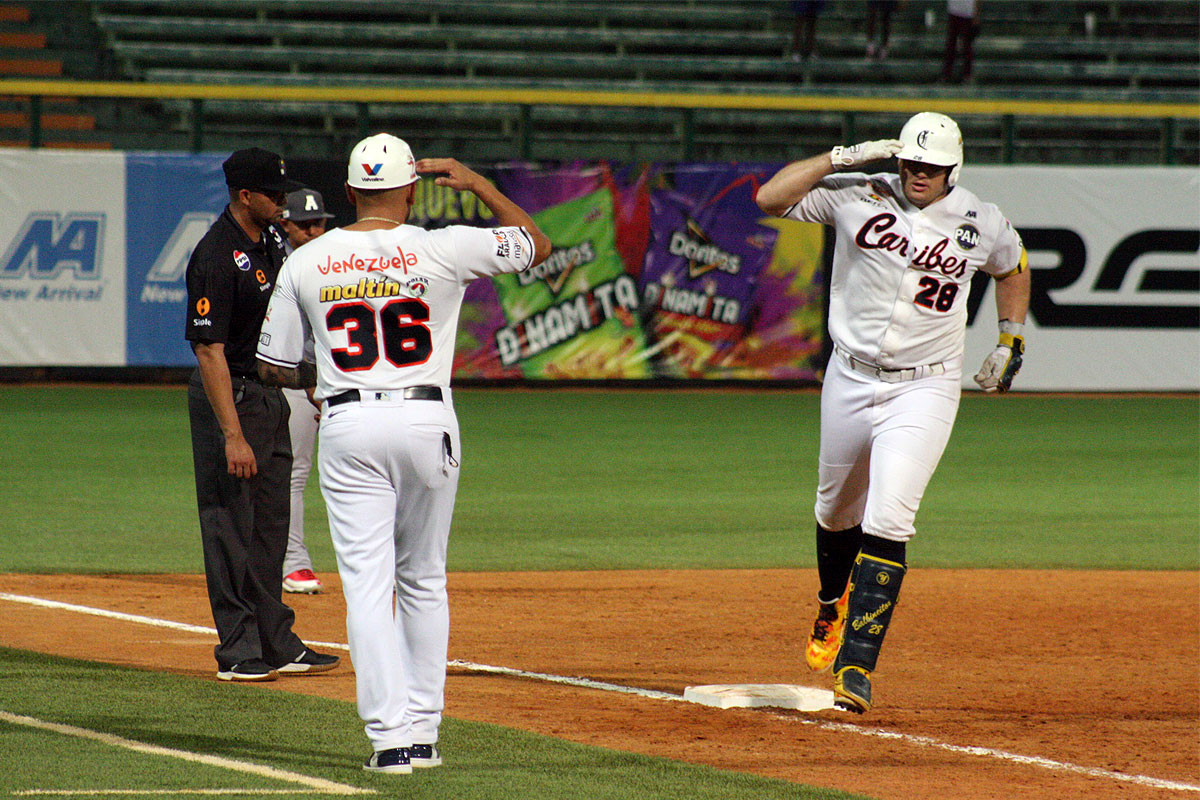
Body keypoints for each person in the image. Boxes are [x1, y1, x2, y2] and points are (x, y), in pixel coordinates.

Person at [256, 133, 550, 772]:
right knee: (424, 578)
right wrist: (478, 185)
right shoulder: (442, 245)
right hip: (426, 419)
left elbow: (273, 364)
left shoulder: (308, 258)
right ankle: (424, 732)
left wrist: (325, 374)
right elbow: (536, 244)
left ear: (350, 191)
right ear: (411, 190)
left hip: (348, 423)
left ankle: (389, 742)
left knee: (368, 585)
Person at [755, 112, 1030, 713]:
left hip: (925, 387)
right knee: (834, 512)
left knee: (890, 517)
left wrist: (1011, 339)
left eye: (931, 166)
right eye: (910, 161)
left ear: (953, 169)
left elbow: (1013, 268)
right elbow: (770, 198)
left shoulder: (981, 221)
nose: (918, 173)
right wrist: (841, 157)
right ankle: (830, 604)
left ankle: (857, 666)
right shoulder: (858, 195)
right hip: (849, 377)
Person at [184, 147, 340, 682]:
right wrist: (231, 433)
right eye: (273, 194)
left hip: (271, 396)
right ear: (244, 195)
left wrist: (312, 384)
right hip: (233, 398)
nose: (282, 201)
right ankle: (236, 648)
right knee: (230, 523)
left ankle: (275, 639)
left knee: (271, 524)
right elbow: (209, 351)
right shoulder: (215, 254)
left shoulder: (273, 242)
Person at [277, 187, 336, 595]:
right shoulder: (277, 263)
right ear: (285, 225)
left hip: (338, 377)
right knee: (295, 472)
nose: (314, 230)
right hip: (294, 379)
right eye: (304, 224)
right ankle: (293, 562)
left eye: (319, 223)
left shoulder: (335, 258)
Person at [940, 0, 979, 83]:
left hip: (967, 12)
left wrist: (975, 14)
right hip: (954, 11)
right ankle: (947, 73)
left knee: (966, 45)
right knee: (951, 44)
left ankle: (967, 74)